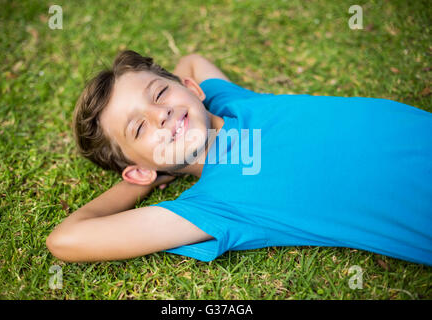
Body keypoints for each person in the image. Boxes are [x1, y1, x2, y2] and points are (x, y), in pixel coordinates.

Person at [46, 50, 432, 266]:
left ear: (193, 90)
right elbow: (67, 239)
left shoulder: (234, 102)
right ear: (141, 166)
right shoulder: (214, 206)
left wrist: (183, 102)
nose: (158, 114)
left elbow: (192, 61)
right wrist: (144, 179)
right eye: (139, 129)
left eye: (159, 94)